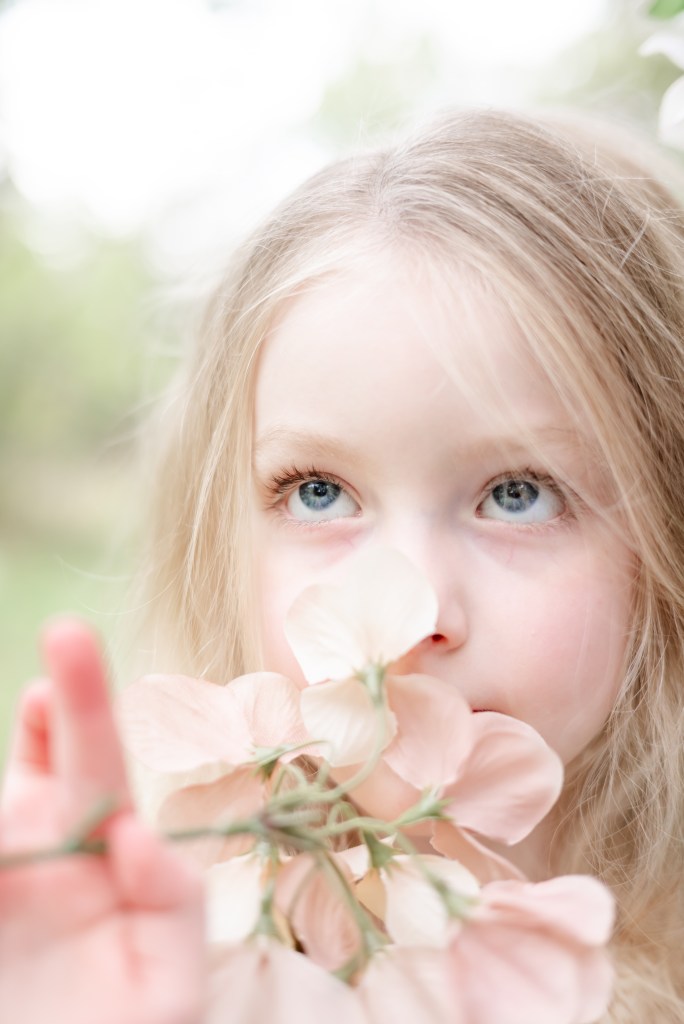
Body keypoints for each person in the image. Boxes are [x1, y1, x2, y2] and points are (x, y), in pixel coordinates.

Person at [2, 107, 684, 1022]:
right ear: (219, 542)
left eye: (518, 492)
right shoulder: (181, 970)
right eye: (318, 491)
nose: (412, 610)